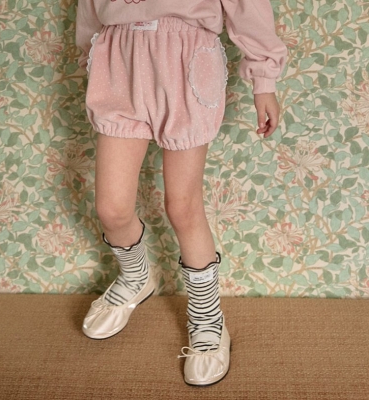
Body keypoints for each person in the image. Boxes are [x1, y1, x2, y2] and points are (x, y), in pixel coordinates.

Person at [76, 0, 287, 386]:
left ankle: (208, 318)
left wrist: (264, 81)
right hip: (117, 58)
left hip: (185, 56)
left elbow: (246, 6)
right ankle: (136, 277)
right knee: (111, 207)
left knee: (183, 206)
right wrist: (90, 56)